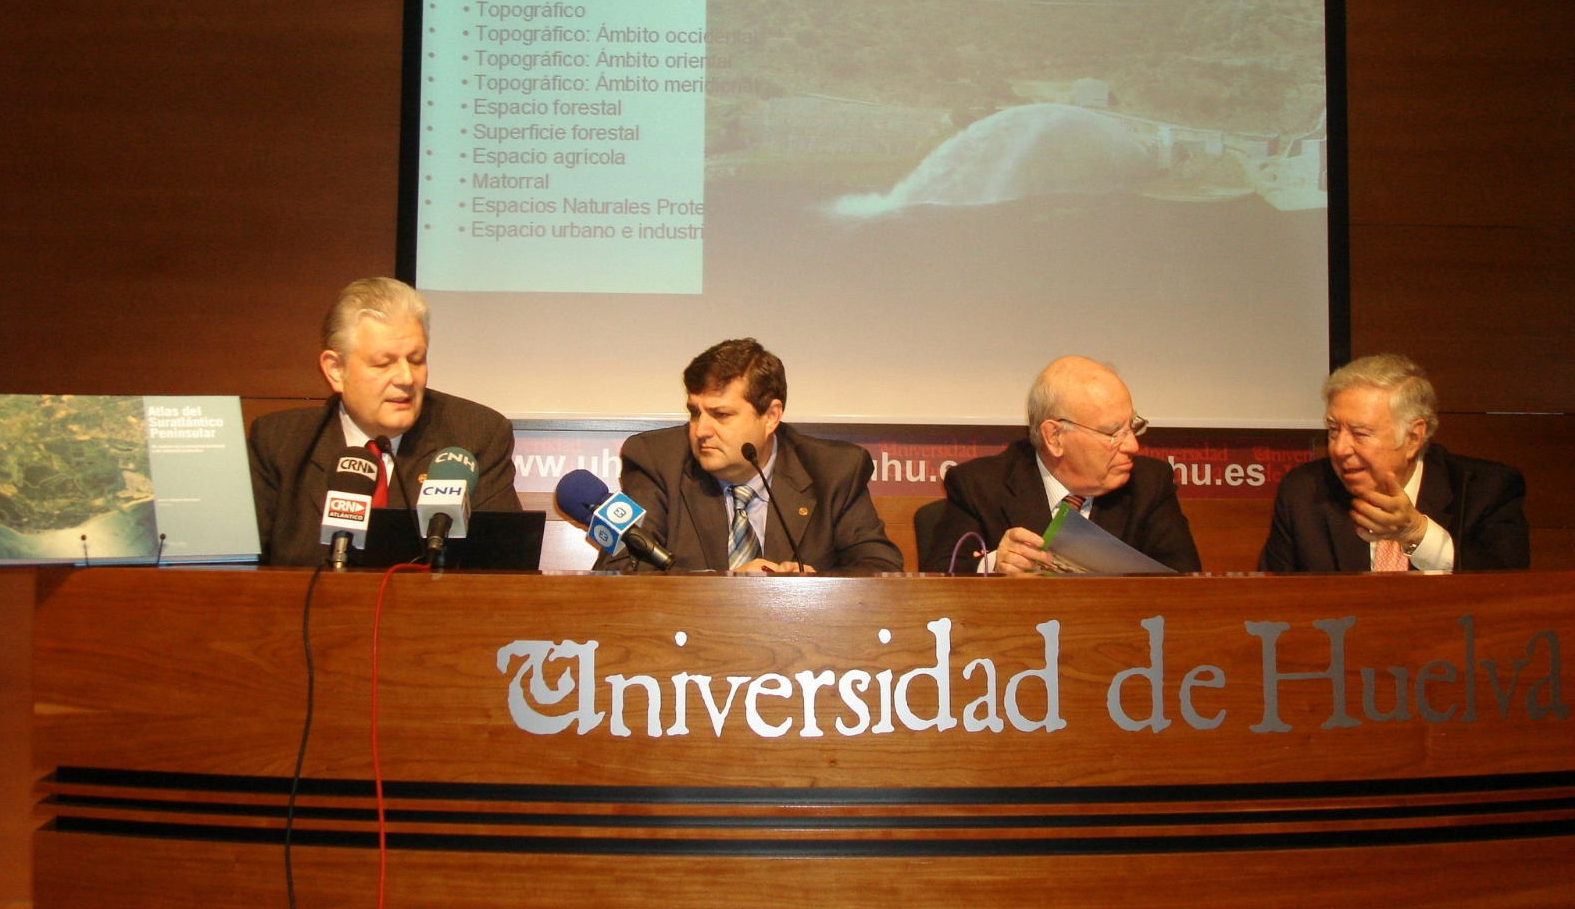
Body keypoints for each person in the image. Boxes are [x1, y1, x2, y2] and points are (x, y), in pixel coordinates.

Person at [248, 277, 522, 565]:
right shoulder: (279, 443)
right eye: (383, 363)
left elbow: (501, 570)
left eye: (416, 360)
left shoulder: (475, 435)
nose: (406, 378)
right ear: (335, 370)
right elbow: (239, 578)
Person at [602, 338, 903, 574]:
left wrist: (812, 587)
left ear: (770, 416)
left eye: (721, 414)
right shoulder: (655, 461)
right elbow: (619, 568)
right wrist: (727, 585)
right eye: (695, 412)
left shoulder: (834, 471)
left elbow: (880, 568)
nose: (700, 430)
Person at [924, 356, 1201, 574]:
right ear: (1054, 436)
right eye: (1112, 433)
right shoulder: (979, 486)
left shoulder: (1149, 484)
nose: (1132, 446)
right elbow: (938, 578)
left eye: (1132, 427)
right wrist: (994, 563)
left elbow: (1186, 583)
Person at [1260, 354, 1528, 572]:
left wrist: (1416, 533)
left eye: (1360, 434)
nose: (1340, 449)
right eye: (1333, 430)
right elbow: (1274, 604)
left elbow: (1506, 587)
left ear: (1413, 438)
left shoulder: (1485, 490)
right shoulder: (1304, 491)